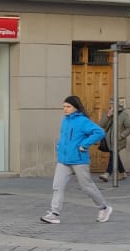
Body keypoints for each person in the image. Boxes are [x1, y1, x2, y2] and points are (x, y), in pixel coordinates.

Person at [43, 95, 112, 224]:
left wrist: (84, 144)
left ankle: (104, 208)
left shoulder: (82, 121)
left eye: (68, 106)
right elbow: (63, 137)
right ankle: (54, 213)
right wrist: (59, 146)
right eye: (64, 106)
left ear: (75, 107)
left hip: (79, 160)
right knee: (57, 186)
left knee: (87, 187)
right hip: (63, 160)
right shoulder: (65, 120)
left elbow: (99, 132)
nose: (65, 109)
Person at [98, 98, 130, 180]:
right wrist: (108, 116)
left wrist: (122, 136)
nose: (112, 105)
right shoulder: (108, 113)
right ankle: (122, 172)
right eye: (110, 104)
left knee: (113, 155)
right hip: (108, 140)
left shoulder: (124, 114)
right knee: (115, 155)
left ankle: (107, 173)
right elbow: (100, 125)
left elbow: (129, 128)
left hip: (118, 140)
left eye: (113, 104)